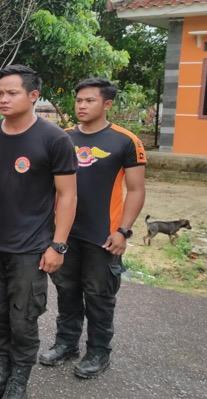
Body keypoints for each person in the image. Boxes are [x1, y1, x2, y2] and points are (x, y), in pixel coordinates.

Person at [0, 65, 77, 399]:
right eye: (0, 93)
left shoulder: (54, 139)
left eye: (11, 93)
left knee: (23, 318)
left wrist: (58, 245)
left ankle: (17, 383)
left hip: (30, 248)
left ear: (33, 96)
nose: (3, 99)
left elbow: (67, 194)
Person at [39, 78, 146, 378]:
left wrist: (123, 231)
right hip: (65, 234)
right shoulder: (63, 138)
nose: (82, 106)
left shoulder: (125, 141)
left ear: (107, 104)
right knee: (66, 290)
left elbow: (136, 190)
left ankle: (99, 352)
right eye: (79, 100)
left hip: (103, 235)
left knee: (100, 296)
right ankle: (66, 344)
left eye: (90, 100)